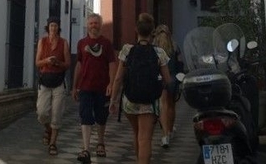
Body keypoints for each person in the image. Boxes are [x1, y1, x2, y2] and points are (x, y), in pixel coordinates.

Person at [108, 13, 172, 164]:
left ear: (136, 30)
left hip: (130, 100)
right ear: (152, 33)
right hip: (149, 102)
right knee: (145, 138)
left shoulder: (127, 50)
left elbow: (118, 78)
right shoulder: (159, 53)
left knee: (136, 133)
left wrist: (113, 100)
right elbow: (168, 80)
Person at [71, 13, 116, 163]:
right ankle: (86, 149)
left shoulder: (107, 44)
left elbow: (111, 64)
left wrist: (111, 83)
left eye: (96, 23)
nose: (93, 26)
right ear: (87, 25)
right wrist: (74, 86)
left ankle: (101, 143)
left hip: (102, 87)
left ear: (100, 25)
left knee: (101, 117)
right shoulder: (81, 43)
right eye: (91, 23)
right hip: (85, 87)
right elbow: (79, 64)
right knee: (85, 116)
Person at [35, 16, 70, 156]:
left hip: (58, 83)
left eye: (55, 26)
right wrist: (47, 61)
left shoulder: (64, 43)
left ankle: (53, 143)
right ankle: (48, 129)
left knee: (56, 114)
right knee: (42, 113)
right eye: (51, 26)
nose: (53, 28)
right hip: (44, 82)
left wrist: (58, 63)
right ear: (48, 28)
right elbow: (37, 63)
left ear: (58, 28)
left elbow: (67, 64)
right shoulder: (42, 42)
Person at [153, 24, 183, 148]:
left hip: (160, 79)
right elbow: (180, 63)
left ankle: (165, 135)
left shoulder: (154, 48)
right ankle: (170, 130)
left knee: (163, 105)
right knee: (171, 105)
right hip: (173, 78)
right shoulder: (175, 46)